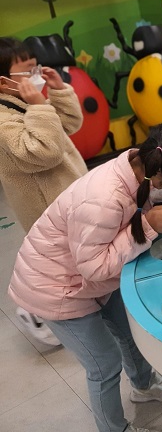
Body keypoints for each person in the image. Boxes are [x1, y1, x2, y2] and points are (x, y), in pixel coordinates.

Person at [8, 121, 162, 432]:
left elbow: (121, 223)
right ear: (160, 173)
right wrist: (149, 225)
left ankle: (143, 387)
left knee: (131, 334)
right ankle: (115, 428)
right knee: (104, 365)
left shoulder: (139, 165)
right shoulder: (104, 198)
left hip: (89, 276)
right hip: (56, 288)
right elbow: (93, 268)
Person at [0, 36, 88, 346]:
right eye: (27, 71)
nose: (35, 74)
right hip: (45, 207)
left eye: (36, 67)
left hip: (66, 195)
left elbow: (69, 125)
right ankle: (32, 310)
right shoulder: (4, 120)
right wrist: (39, 106)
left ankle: (53, 306)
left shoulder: (26, 102)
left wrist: (58, 91)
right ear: (4, 82)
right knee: (60, 264)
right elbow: (44, 152)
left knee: (71, 260)